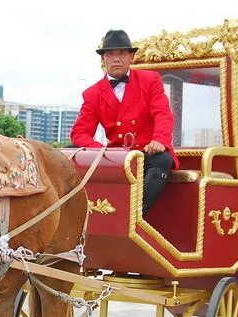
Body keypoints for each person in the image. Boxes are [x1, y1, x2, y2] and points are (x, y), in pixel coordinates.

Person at [70, 29, 178, 214]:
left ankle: (134, 215)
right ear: (103, 59)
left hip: (147, 152)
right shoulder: (93, 93)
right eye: (110, 54)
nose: (116, 59)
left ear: (131, 57)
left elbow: (162, 113)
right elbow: (79, 133)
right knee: (71, 155)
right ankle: (73, 214)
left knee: (163, 160)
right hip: (115, 155)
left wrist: (159, 140)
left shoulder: (150, 80)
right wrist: (101, 151)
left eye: (122, 53)